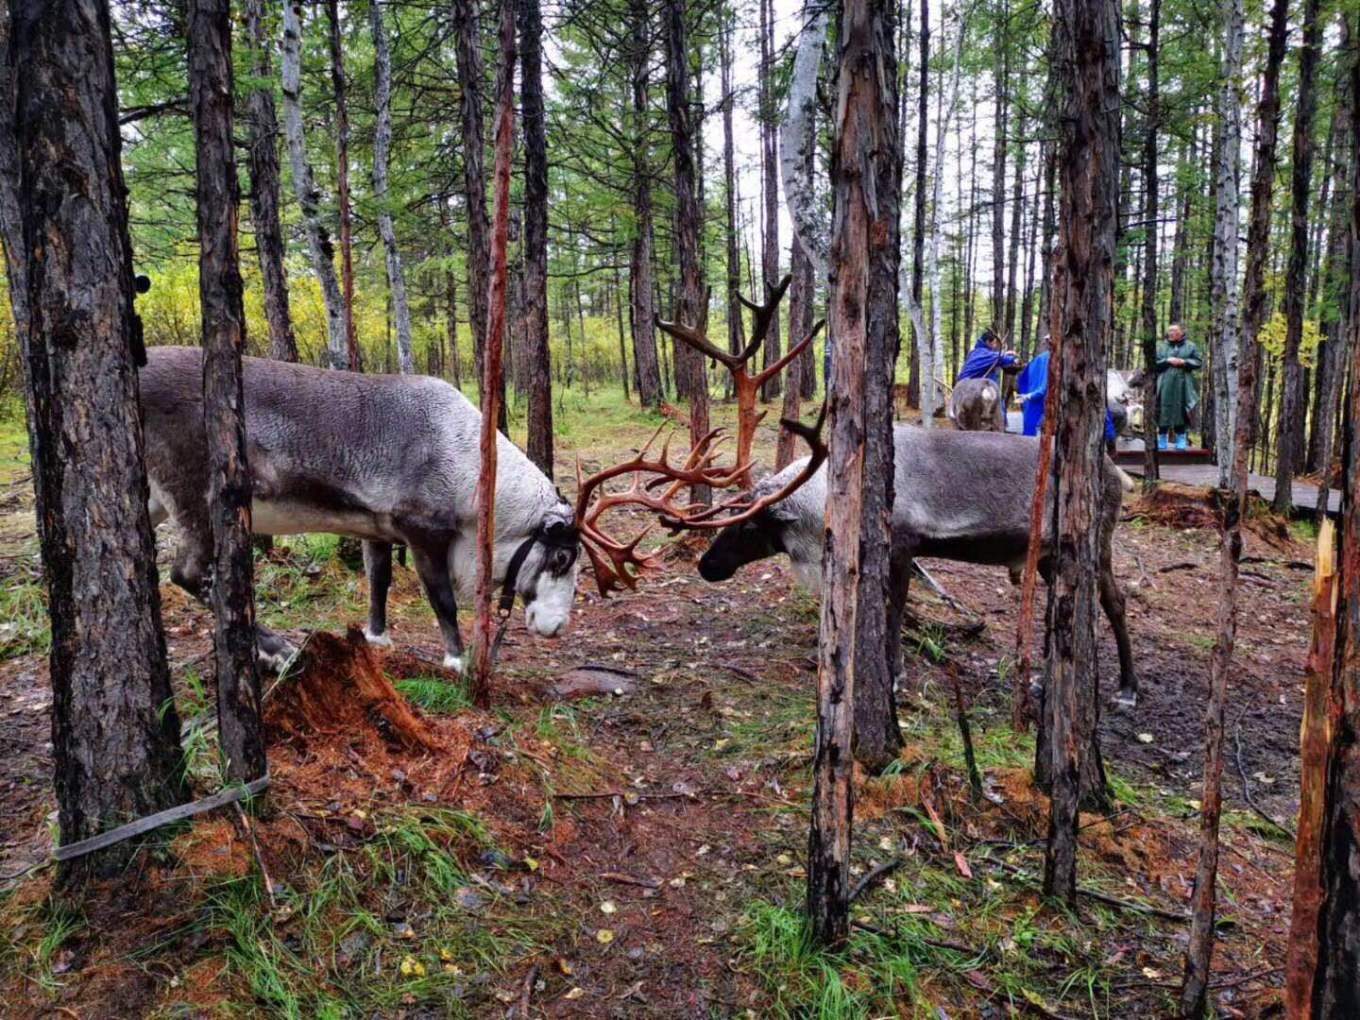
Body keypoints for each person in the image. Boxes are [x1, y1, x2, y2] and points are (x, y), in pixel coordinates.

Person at [1016, 335, 1116, 444]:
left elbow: (1038, 388)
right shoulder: (1047, 359)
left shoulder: (1047, 359)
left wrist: (1028, 396)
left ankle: (1109, 438)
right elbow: (1042, 387)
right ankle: (1110, 439)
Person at [1156, 323, 1200, 450]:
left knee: (1181, 408)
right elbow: (1154, 363)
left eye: (1174, 330)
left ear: (1181, 332)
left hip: (1184, 383)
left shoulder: (1190, 346)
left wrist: (1184, 362)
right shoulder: (1162, 346)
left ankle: (1181, 438)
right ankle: (1162, 437)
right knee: (1163, 408)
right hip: (1165, 382)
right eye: (1169, 330)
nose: (1171, 333)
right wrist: (1167, 361)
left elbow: (1198, 362)